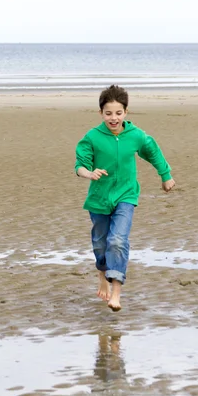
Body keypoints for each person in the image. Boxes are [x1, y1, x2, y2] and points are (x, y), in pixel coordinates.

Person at [74, 85, 175, 312]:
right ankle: (103, 276)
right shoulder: (92, 137)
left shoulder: (136, 135)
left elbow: (153, 152)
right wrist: (89, 173)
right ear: (101, 113)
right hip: (99, 199)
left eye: (118, 113)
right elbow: (80, 165)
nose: (113, 118)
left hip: (126, 196)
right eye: (108, 113)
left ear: (126, 112)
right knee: (101, 244)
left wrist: (165, 175)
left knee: (117, 240)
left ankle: (116, 293)